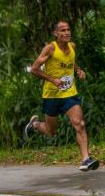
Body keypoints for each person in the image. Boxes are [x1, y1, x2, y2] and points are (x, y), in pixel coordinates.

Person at [24, 21, 99, 172]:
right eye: (62, 30)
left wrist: (78, 70)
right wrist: (52, 80)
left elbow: (71, 62)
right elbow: (34, 69)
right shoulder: (50, 48)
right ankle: (35, 125)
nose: (66, 33)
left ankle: (85, 159)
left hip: (69, 93)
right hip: (51, 96)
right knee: (51, 132)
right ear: (55, 34)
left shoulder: (72, 47)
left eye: (68, 30)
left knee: (80, 123)